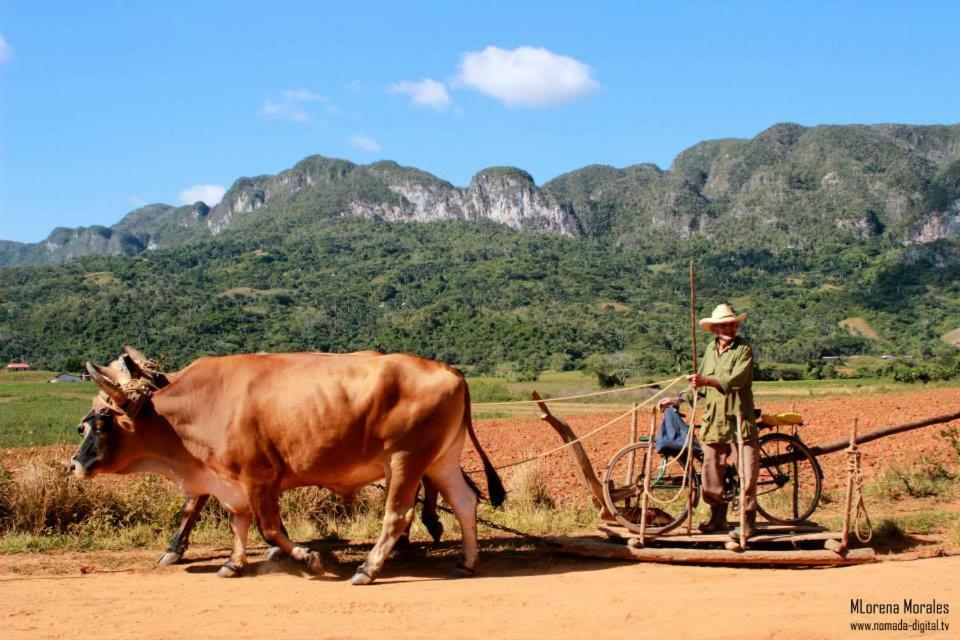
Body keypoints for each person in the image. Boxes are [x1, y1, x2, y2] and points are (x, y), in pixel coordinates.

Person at [659, 303, 758, 539]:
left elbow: (737, 380)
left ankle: (748, 521)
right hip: (714, 420)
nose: (730, 328)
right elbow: (699, 388)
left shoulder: (743, 349)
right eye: (725, 325)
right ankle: (717, 517)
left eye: (733, 324)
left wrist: (707, 381)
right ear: (715, 328)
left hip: (738, 418)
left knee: (747, 470)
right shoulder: (710, 350)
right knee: (711, 470)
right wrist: (679, 397)